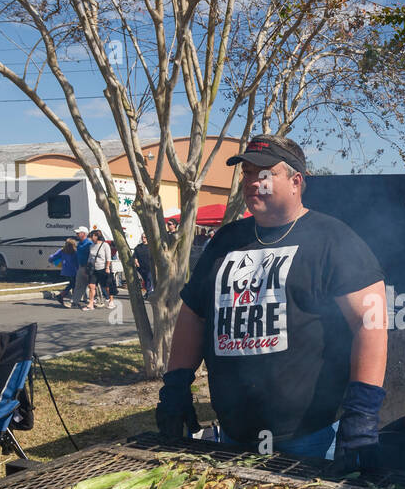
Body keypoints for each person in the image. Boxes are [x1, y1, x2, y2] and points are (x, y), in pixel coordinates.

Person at [155, 133, 389, 467]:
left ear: (296, 181)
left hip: (311, 436)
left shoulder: (333, 239)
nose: (251, 182)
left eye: (264, 173)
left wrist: (363, 409)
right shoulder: (225, 241)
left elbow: (371, 324)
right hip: (233, 435)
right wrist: (176, 387)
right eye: (247, 173)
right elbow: (194, 314)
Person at [86, 229, 116, 311]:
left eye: (92, 236)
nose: (91, 238)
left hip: (103, 268)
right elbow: (90, 257)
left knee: (106, 286)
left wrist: (107, 267)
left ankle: (111, 300)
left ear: (96, 236)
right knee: (91, 286)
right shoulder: (91, 246)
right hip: (93, 269)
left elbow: (108, 258)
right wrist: (88, 265)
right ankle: (91, 303)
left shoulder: (105, 245)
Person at [49, 238, 78, 306]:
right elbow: (78, 261)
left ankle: (74, 299)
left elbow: (53, 257)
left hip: (65, 271)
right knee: (73, 284)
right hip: (74, 270)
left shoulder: (62, 250)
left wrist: (50, 260)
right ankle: (61, 296)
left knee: (73, 284)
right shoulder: (75, 251)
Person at [69, 226, 93, 309]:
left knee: (92, 286)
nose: (77, 234)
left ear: (84, 234)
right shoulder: (79, 244)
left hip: (88, 267)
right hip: (80, 267)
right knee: (78, 285)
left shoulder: (89, 244)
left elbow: (91, 256)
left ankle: (93, 301)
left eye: (78, 233)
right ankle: (74, 302)